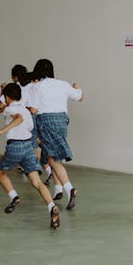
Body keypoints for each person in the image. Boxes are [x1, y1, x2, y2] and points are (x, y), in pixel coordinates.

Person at [0, 83, 60, 229]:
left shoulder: (10, 109)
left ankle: (14, 197)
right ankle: (51, 206)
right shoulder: (27, 111)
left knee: (0, 173)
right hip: (28, 146)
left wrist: (1, 131)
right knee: (37, 182)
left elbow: (18, 118)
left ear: (7, 98)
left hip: (15, 146)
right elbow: (28, 125)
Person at [32, 59, 83, 210]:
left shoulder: (38, 86)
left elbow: (34, 110)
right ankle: (58, 189)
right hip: (62, 121)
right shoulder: (63, 84)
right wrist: (78, 88)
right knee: (50, 156)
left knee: (53, 159)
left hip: (46, 121)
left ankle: (69, 188)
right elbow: (80, 97)